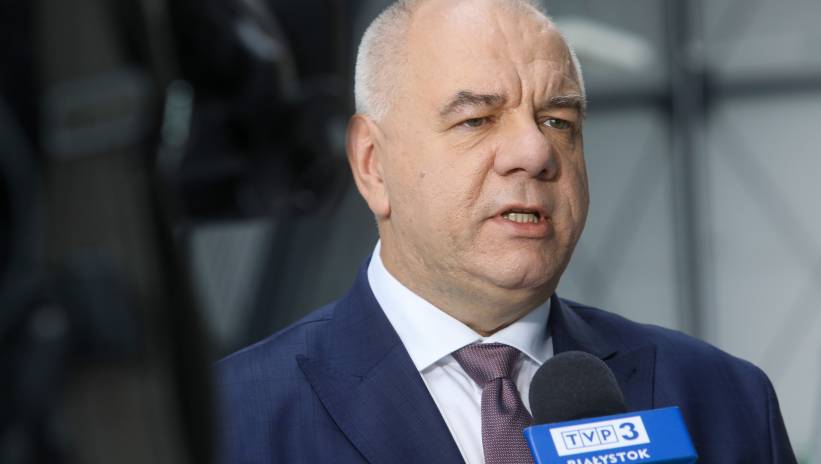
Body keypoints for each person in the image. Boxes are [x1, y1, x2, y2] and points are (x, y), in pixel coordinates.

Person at [217, 0, 797, 462]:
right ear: (372, 164)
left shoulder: (724, 402)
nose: (535, 152)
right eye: (477, 120)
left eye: (558, 121)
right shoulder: (229, 419)